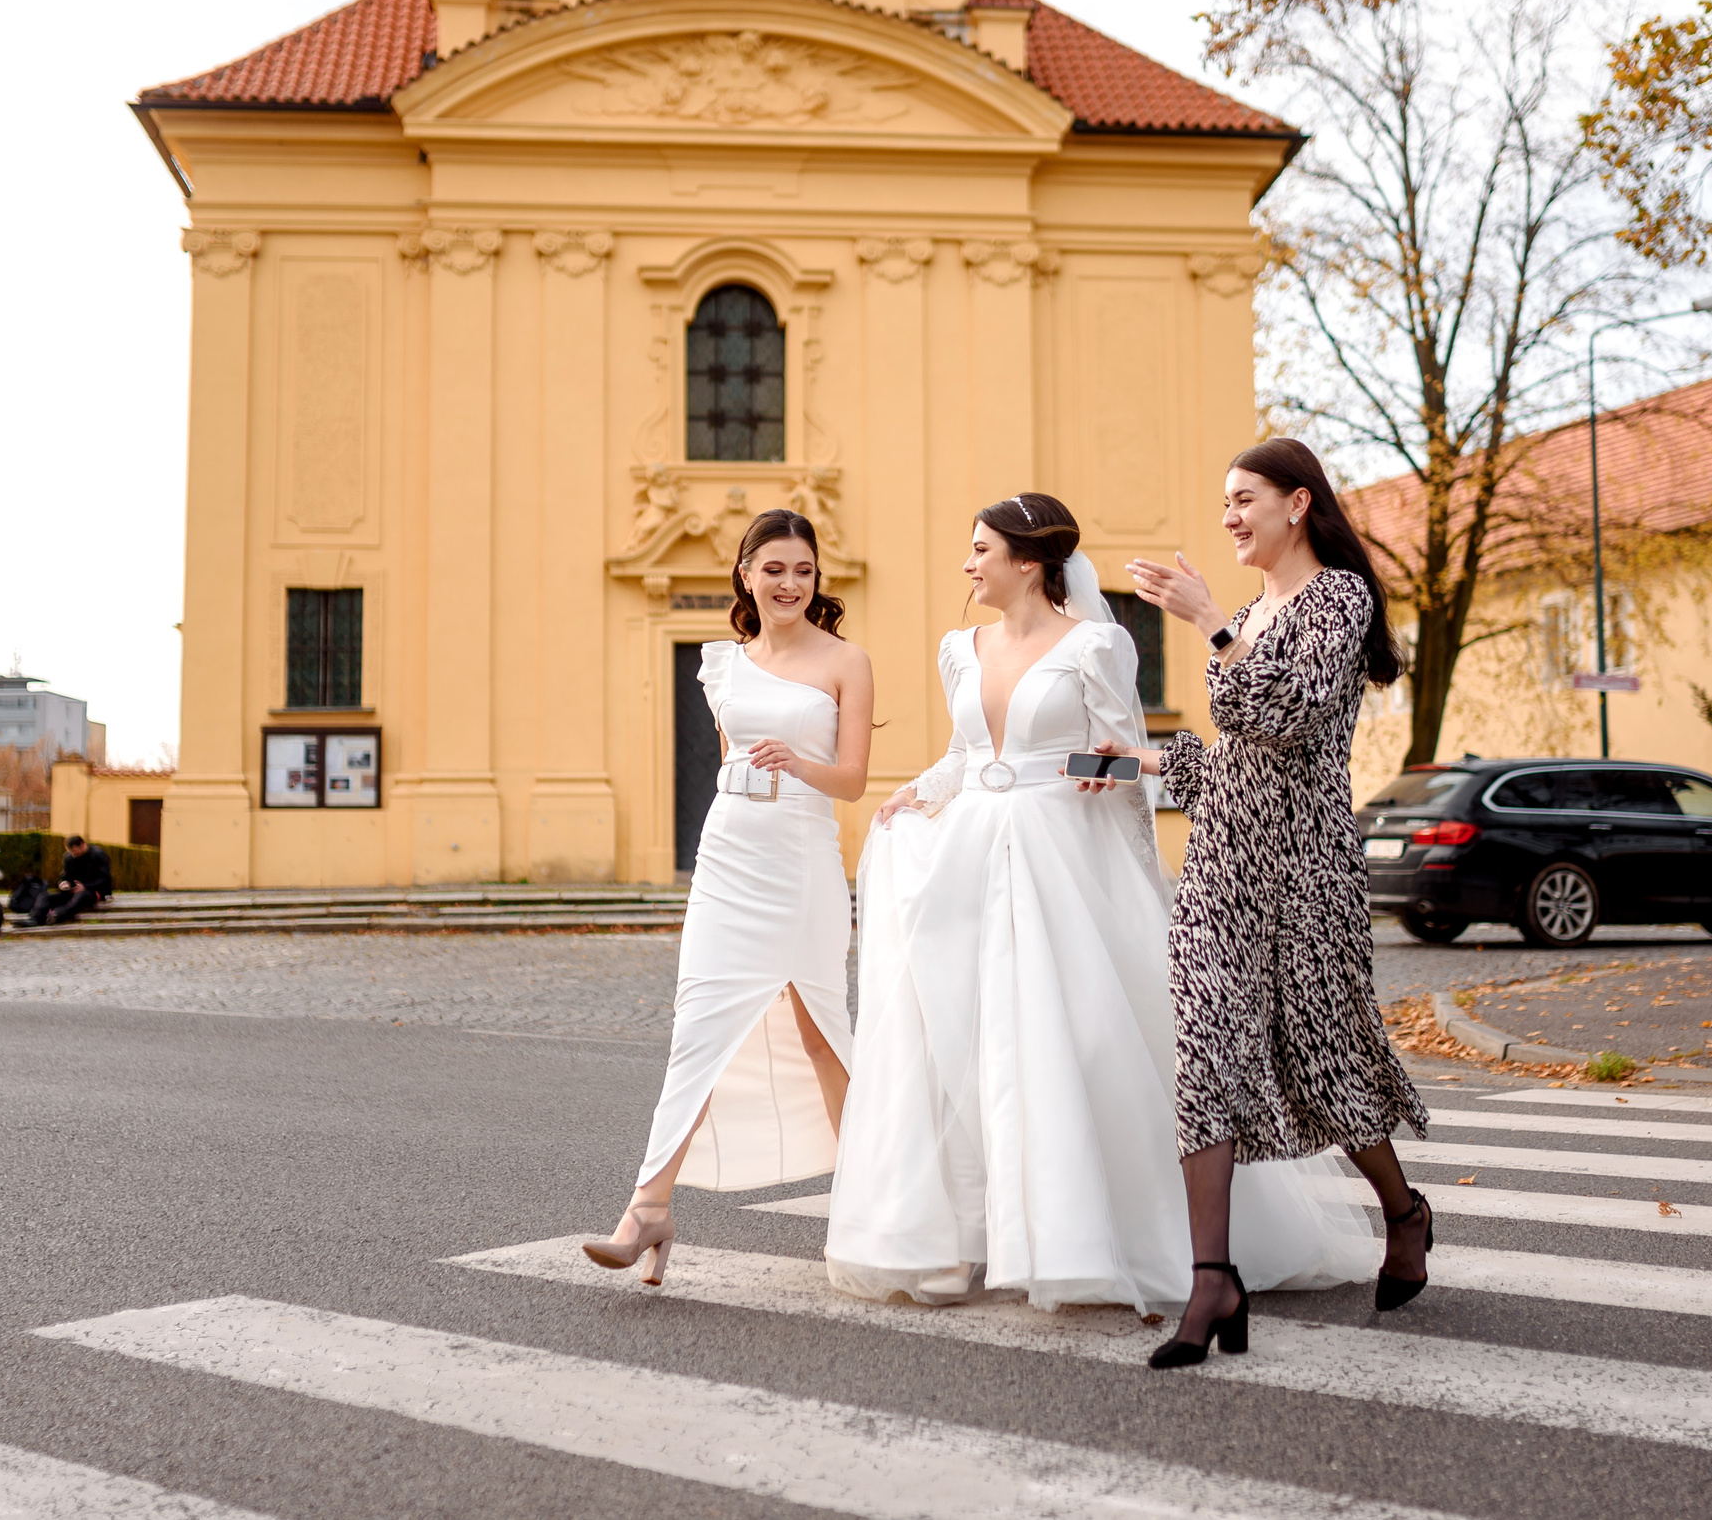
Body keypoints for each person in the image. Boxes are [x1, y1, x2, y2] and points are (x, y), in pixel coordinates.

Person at [825, 493, 1374, 1315]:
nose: (969, 564)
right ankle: (964, 1232)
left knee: (1066, 1038)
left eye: (981, 550)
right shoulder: (957, 648)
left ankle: (1089, 1235)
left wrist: (1136, 876)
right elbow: (966, 755)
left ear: (1027, 560)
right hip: (968, 853)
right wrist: (915, 792)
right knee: (962, 1037)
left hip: (1060, 856)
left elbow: (1118, 756)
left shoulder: (1098, 643)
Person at [1118, 437, 1433, 1369]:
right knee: (1207, 1055)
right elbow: (1244, 756)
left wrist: (1212, 621)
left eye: (1242, 498)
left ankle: (1404, 1208)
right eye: (1223, 501)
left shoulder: (1339, 598)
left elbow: (1286, 712)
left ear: (1298, 505)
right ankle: (1211, 1275)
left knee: (1329, 1059)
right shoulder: (1256, 610)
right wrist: (1149, 761)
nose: (1227, 516)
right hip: (1223, 867)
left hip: (1309, 870)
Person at [582, 510, 874, 1285]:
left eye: (803, 571)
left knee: (821, 1034)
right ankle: (648, 1207)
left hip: (803, 856)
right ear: (745, 573)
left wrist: (799, 763)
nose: (789, 583)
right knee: (699, 1027)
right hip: (730, 853)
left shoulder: (846, 660)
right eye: (773, 568)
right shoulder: (724, 664)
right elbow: (727, 764)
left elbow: (853, 781)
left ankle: (868, 1203)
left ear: (817, 579)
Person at [28, 835, 114, 926]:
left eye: (75, 852)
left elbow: (106, 879)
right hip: (72, 890)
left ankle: (56, 916)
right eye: (71, 852)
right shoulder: (68, 857)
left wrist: (85, 886)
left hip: (92, 891)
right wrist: (62, 883)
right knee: (44, 896)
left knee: (80, 897)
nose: (73, 855)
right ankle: (34, 918)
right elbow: (64, 876)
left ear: (82, 845)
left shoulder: (98, 855)